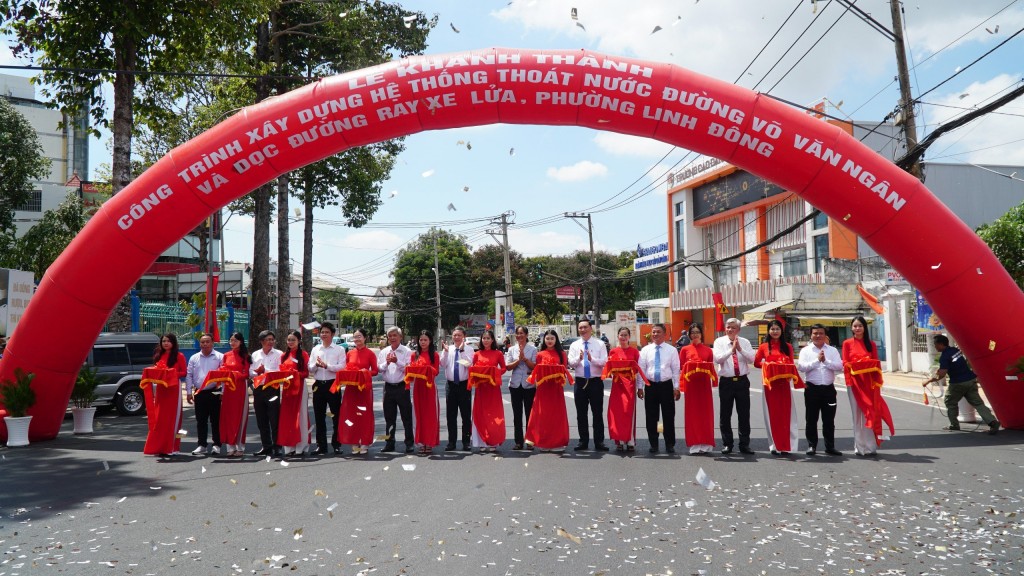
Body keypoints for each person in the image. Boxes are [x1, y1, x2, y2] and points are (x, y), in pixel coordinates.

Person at [841, 316, 895, 457]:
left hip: (869, 385)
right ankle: (859, 447)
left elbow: (876, 364)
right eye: (855, 326)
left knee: (870, 413)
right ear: (851, 328)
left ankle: (871, 446)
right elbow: (845, 363)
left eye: (860, 326)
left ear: (865, 328)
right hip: (854, 384)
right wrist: (856, 366)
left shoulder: (871, 344)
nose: (857, 328)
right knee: (856, 416)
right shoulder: (847, 343)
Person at [924, 334, 1000, 434]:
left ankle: (954, 425)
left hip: (958, 383)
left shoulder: (944, 356)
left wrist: (928, 381)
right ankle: (993, 422)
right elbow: (954, 363)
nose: (935, 347)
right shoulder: (955, 351)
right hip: (970, 380)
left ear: (941, 344)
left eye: (935, 345)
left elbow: (941, 375)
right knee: (977, 403)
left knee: (950, 401)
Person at [753, 320, 803, 456]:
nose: (775, 331)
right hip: (770, 385)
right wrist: (767, 364)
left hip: (784, 385)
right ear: (768, 331)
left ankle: (788, 445)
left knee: (787, 414)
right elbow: (757, 363)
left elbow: (791, 364)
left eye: (777, 329)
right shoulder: (764, 346)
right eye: (772, 329)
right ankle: (774, 445)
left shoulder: (788, 347)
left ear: (781, 331)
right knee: (772, 415)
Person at [797, 324, 844, 457]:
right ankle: (812, 446)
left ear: (825, 335)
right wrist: (817, 361)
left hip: (829, 390)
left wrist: (826, 361)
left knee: (829, 420)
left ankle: (830, 446)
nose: (818, 336)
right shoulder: (805, 351)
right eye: (815, 333)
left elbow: (839, 366)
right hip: (812, 389)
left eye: (821, 333)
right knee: (811, 419)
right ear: (811, 335)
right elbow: (801, 367)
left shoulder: (832, 351)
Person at [712, 318, 756, 455]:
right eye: (728, 327)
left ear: (739, 330)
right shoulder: (719, 342)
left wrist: (740, 349)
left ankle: (744, 444)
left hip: (742, 381)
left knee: (744, 414)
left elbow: (752, 359)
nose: (730, 330)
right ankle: (727, 444)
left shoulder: (745, 342)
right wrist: (731, 350)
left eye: (733, 327)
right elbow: (718, 359)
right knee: (725, 414)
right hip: (726, 382)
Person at [524, 329, 571, 450]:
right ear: (544, 340)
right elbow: (537, 371)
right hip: (543, 389)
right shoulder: (540, 354)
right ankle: (544, 442)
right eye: (547, 338)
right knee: (543, 415)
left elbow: (564, 371)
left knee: (556, 415)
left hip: (556, 389)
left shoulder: (562, 354)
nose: (549, 341)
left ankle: (558, 442)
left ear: (556, 340)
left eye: (552, 338)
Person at [142, 333, 187, 456]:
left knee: (174, 419)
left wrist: (170, 373)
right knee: (160, 419)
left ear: (173, 342)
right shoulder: (159, 355)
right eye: (164, 341)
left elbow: (184, 372)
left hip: (174, 390)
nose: (166, 343)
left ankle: (173, 447)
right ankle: (159, 446)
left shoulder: (179, 356)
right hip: (162, 390)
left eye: (168, 341)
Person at [567, 319, 609, 451]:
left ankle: (599, 442)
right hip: (580, 381)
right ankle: (583, 441)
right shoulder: (574, 345)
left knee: (597, 413)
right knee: (581, 413)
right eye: (580, 328)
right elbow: (570, 363)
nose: (583, 330)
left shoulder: (600, 344)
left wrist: (592, 359)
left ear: (591, 328)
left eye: (585, 327)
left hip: (595, 381)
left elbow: (604, 362)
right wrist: (579, 358)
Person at [638, 324, 680, 454]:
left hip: (666, 386)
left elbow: (675, 370)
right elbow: (641, 370)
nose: (655, 334)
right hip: (650, 386)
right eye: (653, 332)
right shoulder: (645, 350)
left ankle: (669, 443)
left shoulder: (671, 350)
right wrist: (640, 387)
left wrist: (676, 387)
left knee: (668, 416)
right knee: (652, 417)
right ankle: (654, 443)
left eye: (658, 332)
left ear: (665, 334)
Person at [336, 328, 379, 454]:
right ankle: (354, 442)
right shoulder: (349, 353)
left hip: (364, 389)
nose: (357, 339)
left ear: (365, 338)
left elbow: (375, 371)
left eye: (359, 336)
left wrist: (364, 373)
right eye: (355, 337)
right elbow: (346, 368)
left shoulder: (370, 353)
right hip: (351, 390)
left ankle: (364, 443)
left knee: (364, 415)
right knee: (351, 415)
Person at [308, 322, 347, 455]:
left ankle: (336, 444)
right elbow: (310, 367)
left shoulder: (339, 349)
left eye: (327, 332)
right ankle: (321, 445)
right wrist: (317, 366)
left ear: (332, 334)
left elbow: (342, 367)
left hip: (333, 384)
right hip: (318, 384)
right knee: (319, 416)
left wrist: (327, 366)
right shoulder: (316, 349)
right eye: (322, 332)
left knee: (336, 415)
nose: (324, 334)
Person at [678, 323, 716, 455]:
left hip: (704, 385)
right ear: (689, 334)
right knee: (692, 414)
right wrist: (680, 386)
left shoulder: (708, 350)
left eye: (697, 332)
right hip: (691, 385)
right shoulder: (684, 350)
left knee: (706, 414)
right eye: (692, 332)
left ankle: (706, 443)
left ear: (701, 334)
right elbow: (682, 368)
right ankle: (694, 443)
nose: (695, 334)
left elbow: (711, 367)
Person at [605, 326, 643, 451]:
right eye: (621, 335)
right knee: (617, 413)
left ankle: (630, 440)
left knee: (628, 412)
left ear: (629, 337)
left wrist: (639, 387)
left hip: (630, 386)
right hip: (617, 385)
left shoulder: (635, 352)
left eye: (625, 335)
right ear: (618, 336)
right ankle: (619, 440)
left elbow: (638, 371)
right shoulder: (613, 352)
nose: (623, 337)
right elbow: (609, 371)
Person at [186, 333, 224, 456]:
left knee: (216, 420)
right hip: (199, 392)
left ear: (212, 343)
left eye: (207, 342)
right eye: (202, 342)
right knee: (200, 420)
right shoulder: (194, 358)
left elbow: (224, 375)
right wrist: (189, 392)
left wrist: (223, 391)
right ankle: (202, 445)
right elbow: (189, 375)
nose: (205, 344)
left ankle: (217, 445)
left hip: (215, 392)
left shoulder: (219, 357)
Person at [469, 329, 507, 452]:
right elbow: (473, 370)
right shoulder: (477, 354)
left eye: (488, 338)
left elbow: (504, 368)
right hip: (481, 389)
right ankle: (481, 441)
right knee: (480, 414)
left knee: (494, 415)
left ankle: (493, 441)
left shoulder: (498, 354)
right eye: (484, 338)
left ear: (492, 340)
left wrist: (494, 374)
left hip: (493, 389)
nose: (485, 340)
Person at [378, 326, 414, 453]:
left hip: (402, 387)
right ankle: (389, 443)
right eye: (390, 336)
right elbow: (379, 369)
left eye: (395, 335)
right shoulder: (384, 351)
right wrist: (387, 363)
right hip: (388, 387)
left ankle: (409, 443)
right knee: (389, 418)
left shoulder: (407, 351)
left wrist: (397, 361)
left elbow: (408, 370)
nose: (392, 338)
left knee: (406, 417)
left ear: (400, 337)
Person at [250, 329, 284, 457]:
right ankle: (266, 446)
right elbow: (250, 372)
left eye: (272, 339)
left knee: (274, 418)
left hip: (272, 388)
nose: (270, 342)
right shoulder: (255, 354)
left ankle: (277, 446)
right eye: (267, 340)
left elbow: (281, 371)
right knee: (261, 419)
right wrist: (257, 372)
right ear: (261, 341)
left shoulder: (279, 354)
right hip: (258, 388)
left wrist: (266, 370)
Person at [440, 327, 475, 451]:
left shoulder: (469, 349)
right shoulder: (448, 349)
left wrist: (462, 352)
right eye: (454, 335)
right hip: (451, 385)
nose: (456, 337)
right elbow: (443, 364)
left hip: (464, 385)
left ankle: (466, 441)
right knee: (451, 415)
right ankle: (451, 442)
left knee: (466, 415)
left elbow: (469, 364)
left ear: (463, 336)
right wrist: (444, 352)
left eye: (459, 335)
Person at [408, 330, 441, 454]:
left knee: (430, 416)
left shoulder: (435, 355)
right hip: (418, 387)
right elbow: (411, 370)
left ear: (430, 341)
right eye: (421, 340)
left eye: (425, 340)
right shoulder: (414, 355)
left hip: (430, 387)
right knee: (418, 415)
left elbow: (436, 371)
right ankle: (421, 442)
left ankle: (430, 442)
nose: (422, 342)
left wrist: (427, 369)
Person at [278, 330, 310, 457]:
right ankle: (289, 446)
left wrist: (295, 374)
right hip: (287, 389)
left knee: (300, 415)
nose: (290, 342)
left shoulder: (303, 354)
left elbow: (306, 373)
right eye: (289, 340)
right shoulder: (283, 356)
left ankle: (300, 446)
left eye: (293, 340)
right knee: (287, 417)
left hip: (300, 387)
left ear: (299, 341)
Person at [505, 325, 537, 450]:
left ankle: (530, 441)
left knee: (530, 414)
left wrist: (525, 359)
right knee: (517, 415)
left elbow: (534, 366)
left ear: (526, 335)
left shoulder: (533, 349)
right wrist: (518, 361)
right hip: (515, 385)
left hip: (529, 385)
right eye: (517, 333)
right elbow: (508, 367)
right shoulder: (512, 349)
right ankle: (518, 441)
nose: (519, 336)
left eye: (522, 333)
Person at [219, 332, 251, 457]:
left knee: (240, 416)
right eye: (231, 340)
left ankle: (240, 446)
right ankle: (230, 446)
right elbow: (223, 370)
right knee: (228, 416)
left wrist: (236, 375)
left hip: (240, 388)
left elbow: (247, 374)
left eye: (235, 341)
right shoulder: (226, 355)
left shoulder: (245, 356)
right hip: (228, 389)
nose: (232, 343)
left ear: (241, 342)